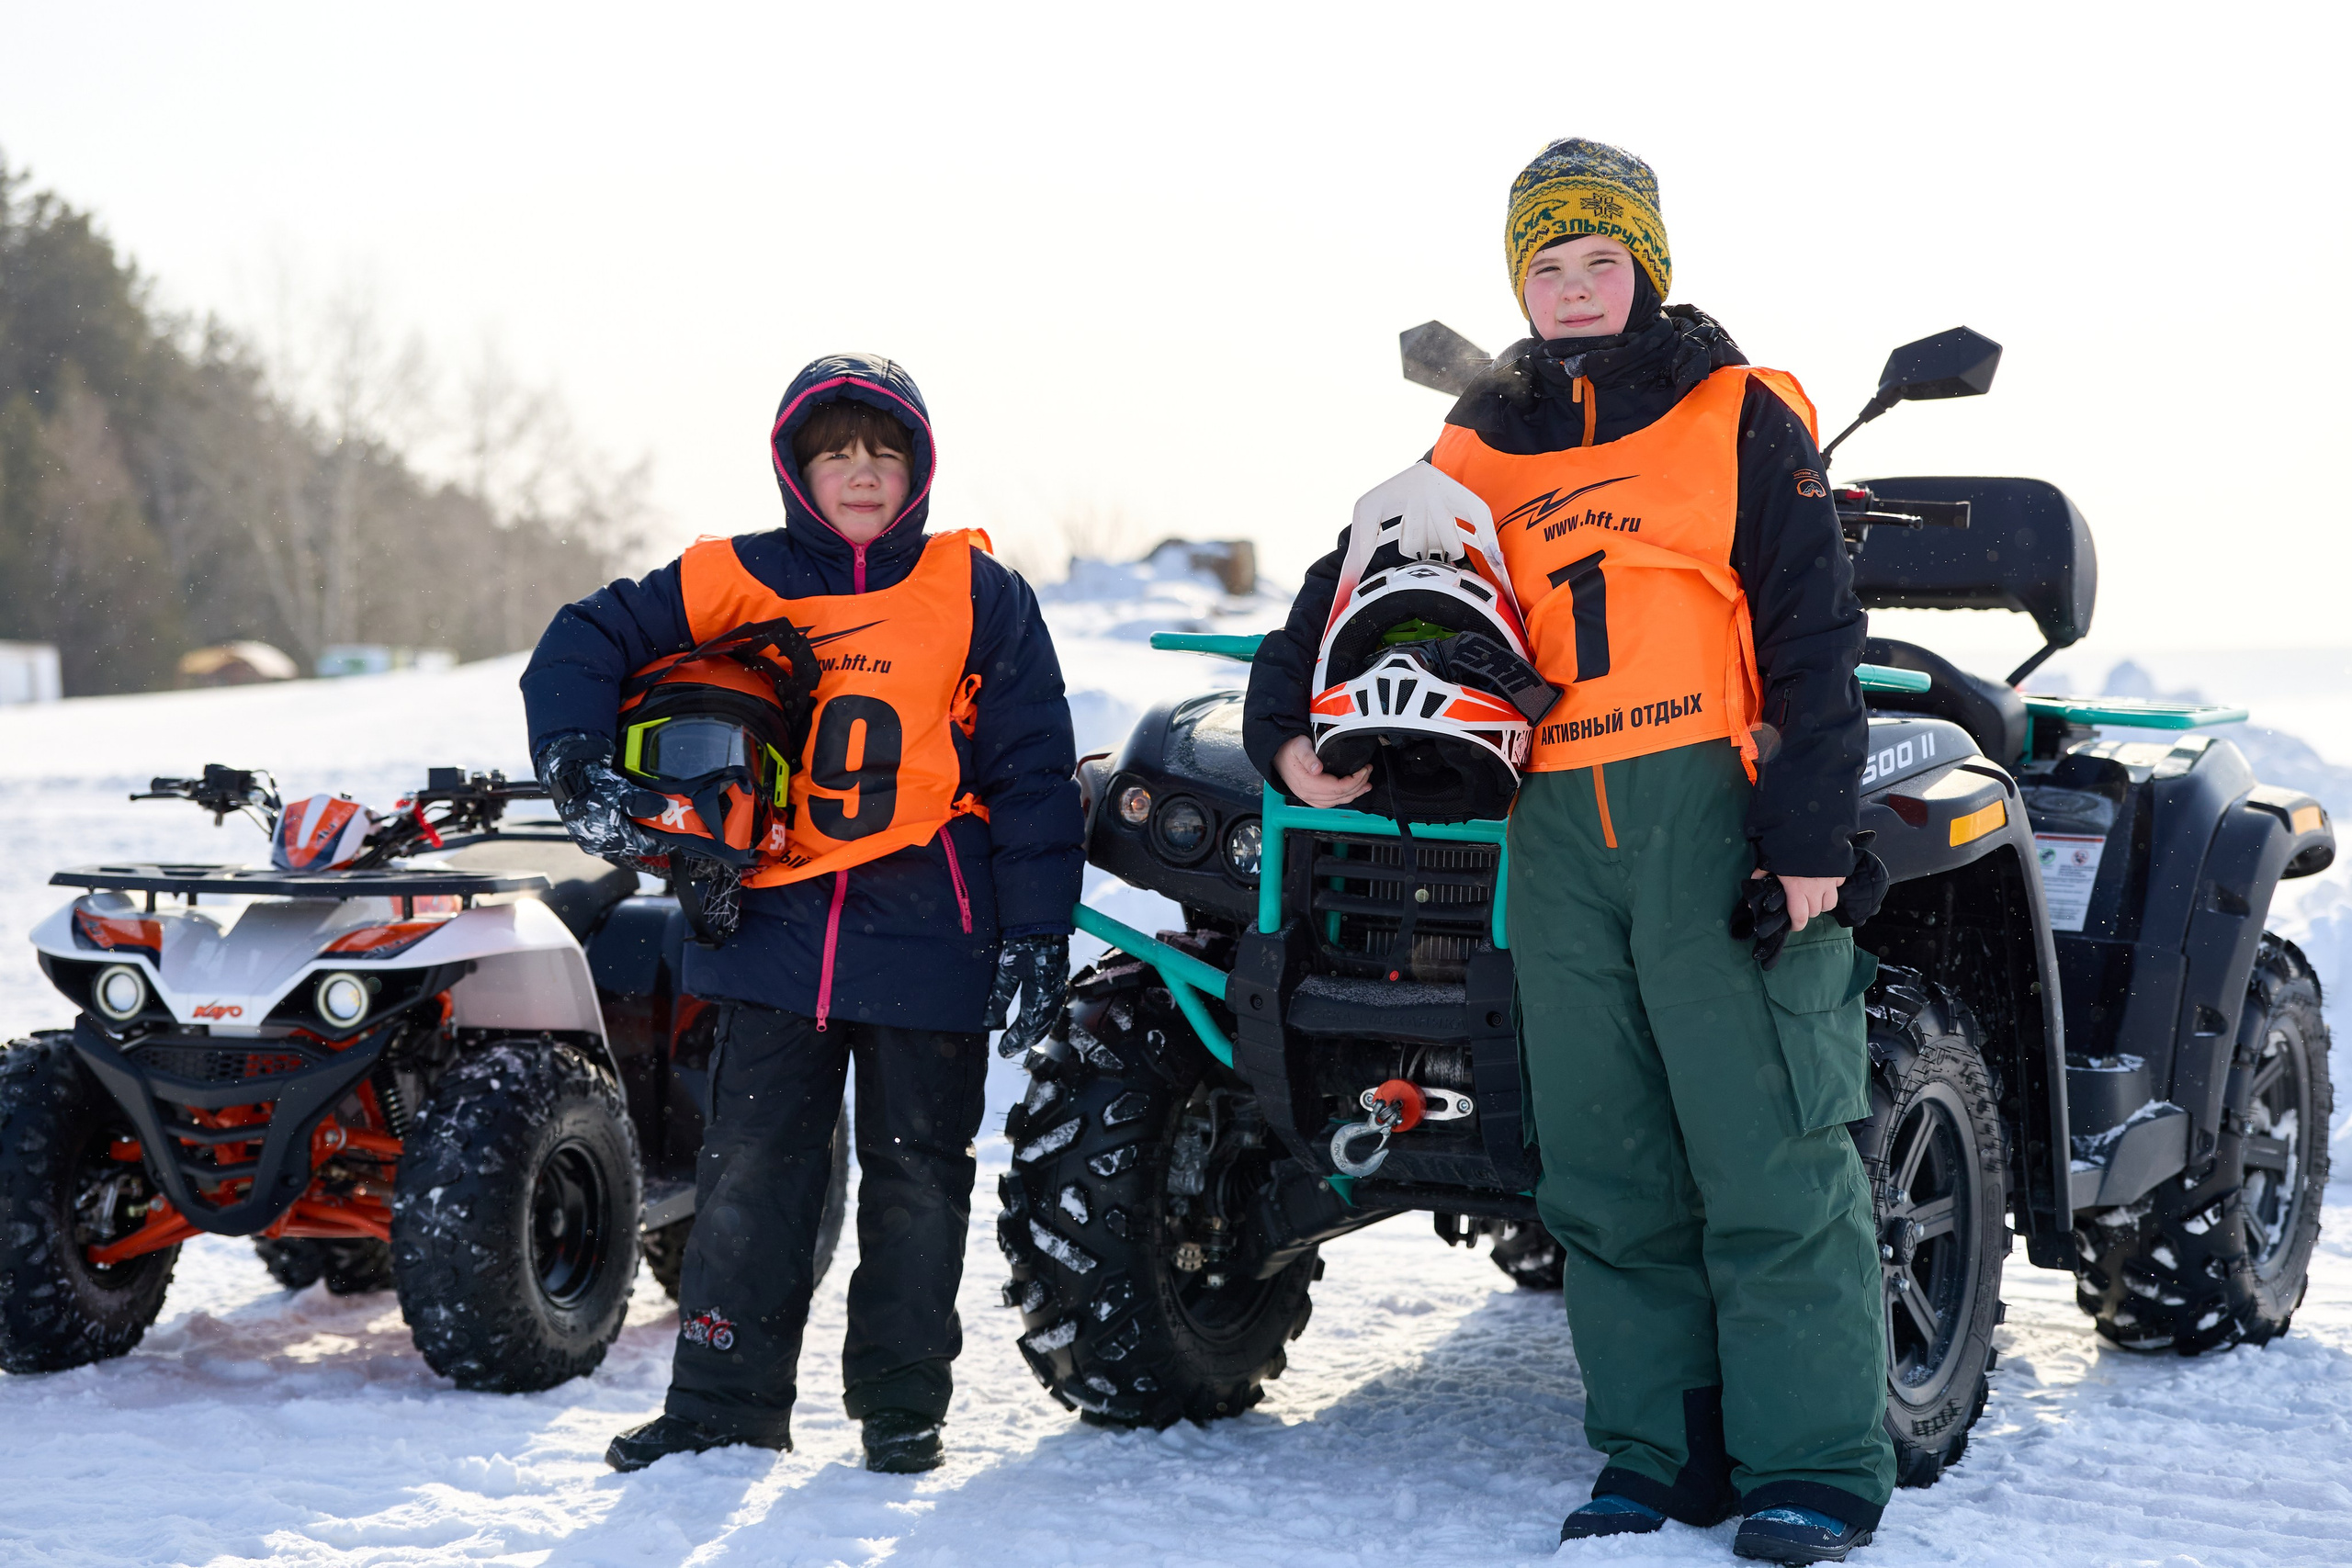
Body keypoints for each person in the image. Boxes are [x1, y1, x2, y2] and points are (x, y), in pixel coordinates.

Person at [1244, 141, 1888, 1563]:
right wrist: (1283, 728)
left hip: (1707, 810)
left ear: (1647, 268)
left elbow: (1813, 630)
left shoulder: (1737, 411)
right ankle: (1662, 1454)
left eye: (1604, 259)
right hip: (1549, 831)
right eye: (1549, 264)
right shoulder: (1479, 440)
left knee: (1767, 1147)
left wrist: (1807, 836)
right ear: (1518, 284)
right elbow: (1339, 586)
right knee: (1604, 1163)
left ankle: (1814, 1464)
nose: (1577, 286)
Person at [522, 353, 1083, 1475]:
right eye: (835, 454)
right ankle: (722, 1406)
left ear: (918, 467)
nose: (861, 473)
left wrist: (1036, 929)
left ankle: (901, 1409)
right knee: (750, 1173)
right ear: (795, 469)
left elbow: (1033, 773)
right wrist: (578, 759)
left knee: (918, 1180)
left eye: (884, 452)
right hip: (769, 928)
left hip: (932, 928)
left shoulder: (980, 593)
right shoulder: (731, 574)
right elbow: (582, 640)